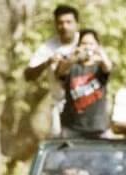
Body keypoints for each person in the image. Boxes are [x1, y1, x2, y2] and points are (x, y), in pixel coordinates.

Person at [23, 5, 81, 137]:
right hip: (61, 104)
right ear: (55, 25)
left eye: (68, 22)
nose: (64, 26)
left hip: (87, 102)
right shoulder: (47, 48)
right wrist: (47, 62)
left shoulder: (85, 42)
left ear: (77, 24)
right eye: (60, 23)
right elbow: (28, 75)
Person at [56, 29, 113, 138]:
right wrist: (74, 56)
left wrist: (99, 52)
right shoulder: (71, 66)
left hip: (98, 127)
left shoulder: (100, 67)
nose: (87, 47)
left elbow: (108, 67)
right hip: (72, 127)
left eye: (91, 44)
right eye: (84, 43)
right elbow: (60, 72)